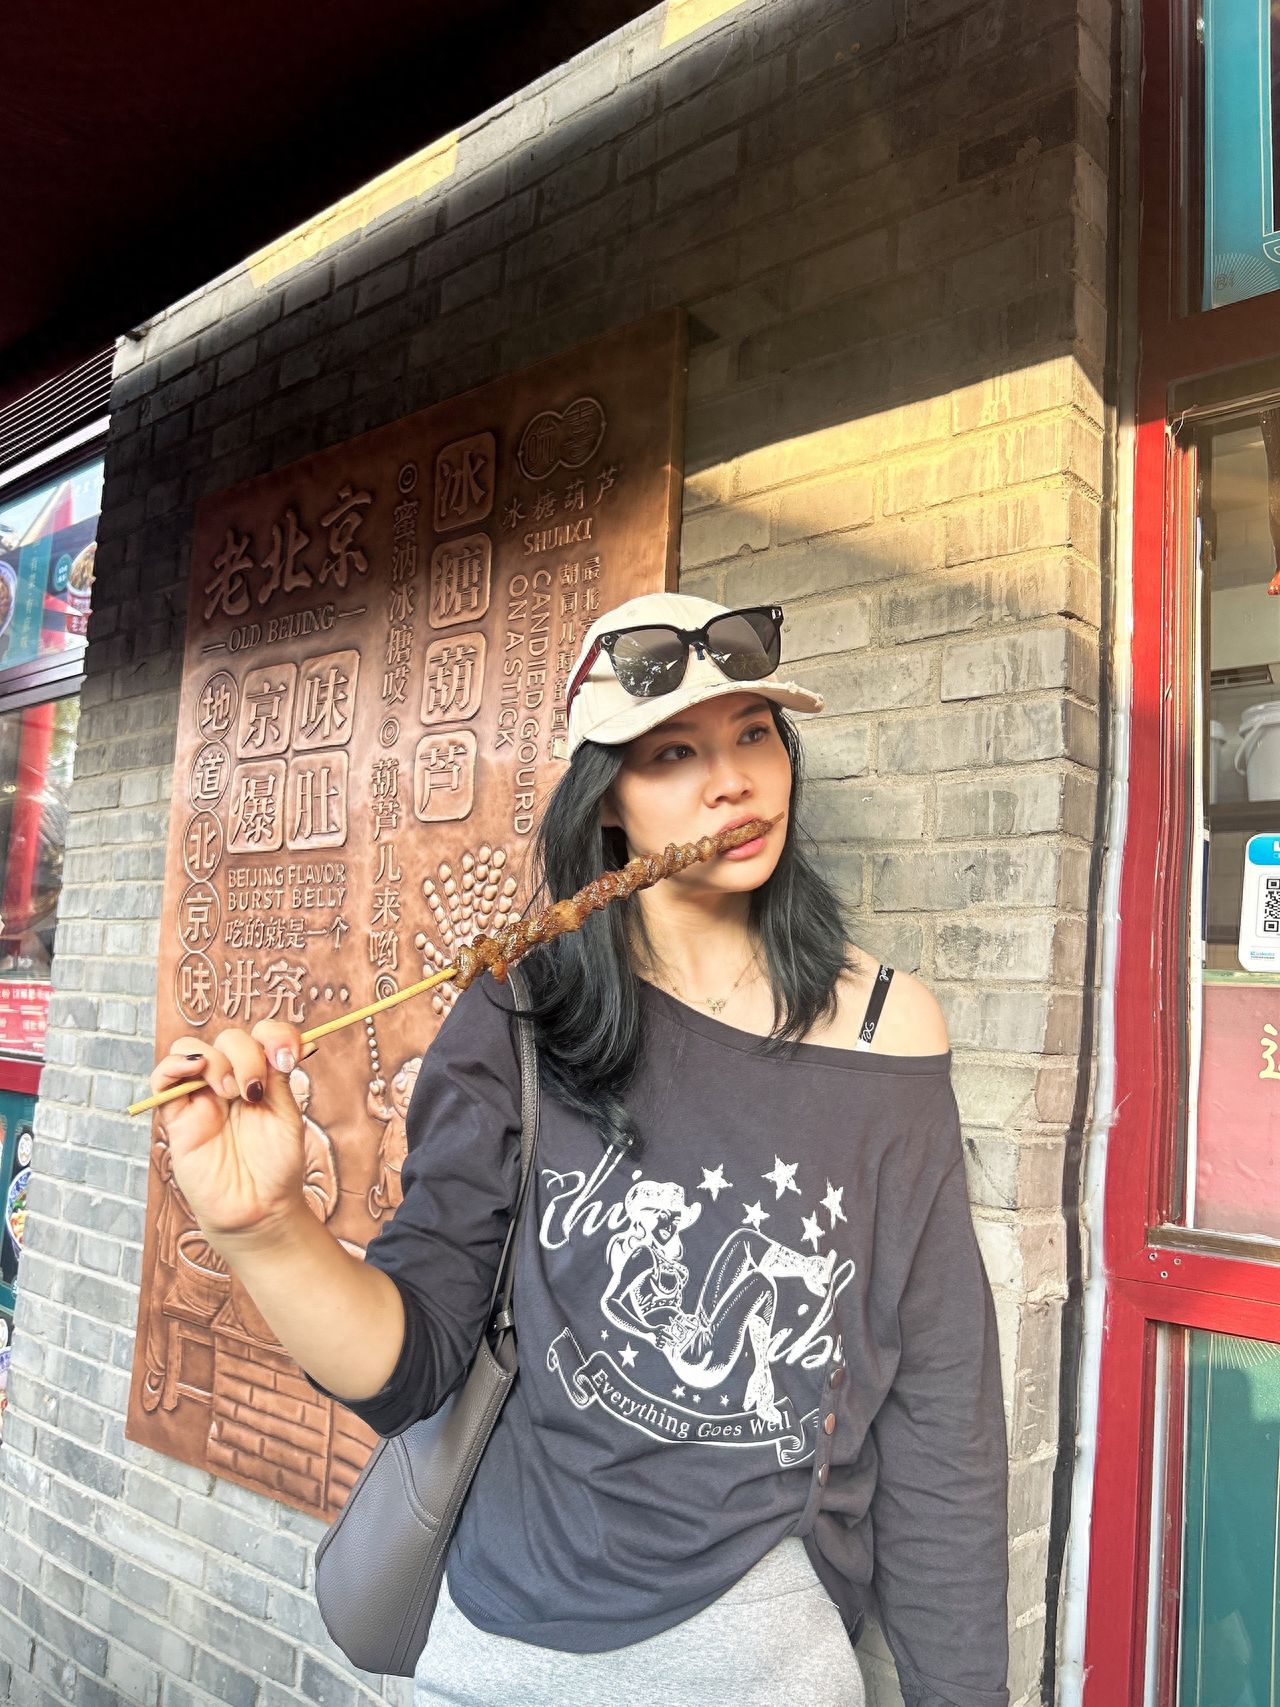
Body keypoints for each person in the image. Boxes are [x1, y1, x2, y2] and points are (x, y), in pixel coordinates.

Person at [149, 593, 1010, 1707]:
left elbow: (942, 1404)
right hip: (501, 1650)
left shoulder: (885, 1031)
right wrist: (265, 1231)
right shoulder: (517, 1014)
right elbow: (412, 1368)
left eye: (753, 733)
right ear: (606, 803)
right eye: (671, 754)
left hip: (764, 1663)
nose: (732, 781)